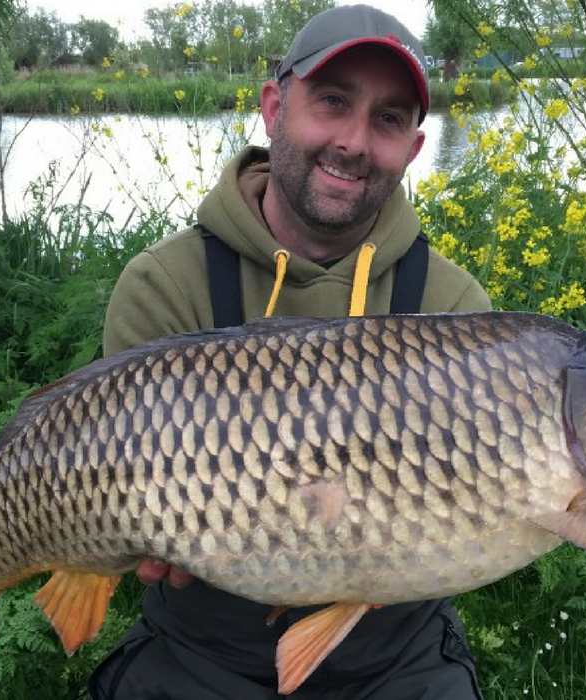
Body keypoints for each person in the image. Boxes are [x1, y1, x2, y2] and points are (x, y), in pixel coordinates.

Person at [87, 5, 490, 699]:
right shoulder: (165, 285)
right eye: (332, 102)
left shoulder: (454, 309)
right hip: (204, 647)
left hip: (396, 654)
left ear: (414, 148)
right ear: (274, 105)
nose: (354, 141)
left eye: (388, 119)